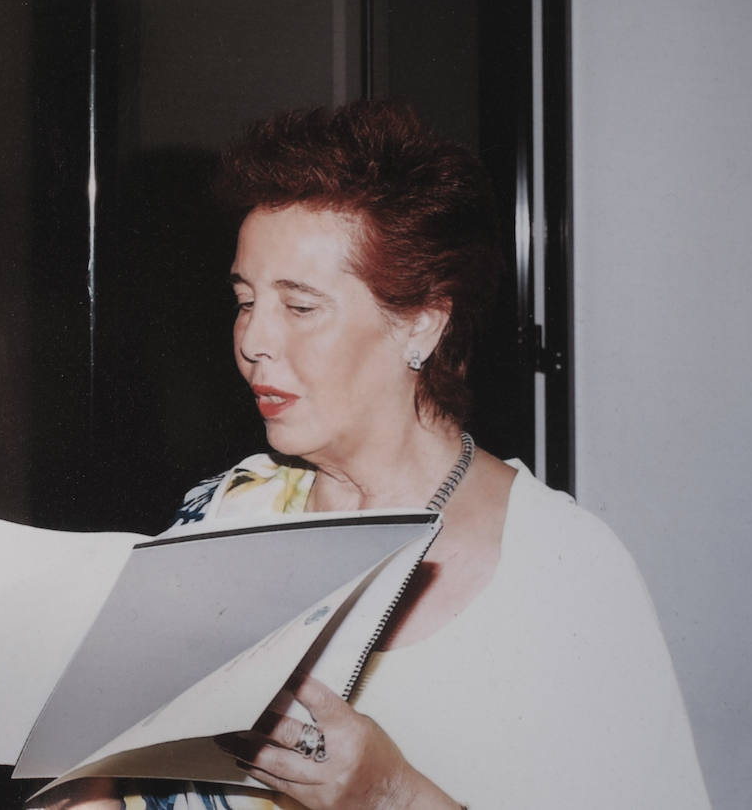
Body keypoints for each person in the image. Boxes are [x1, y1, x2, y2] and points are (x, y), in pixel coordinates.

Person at [54, 101, 710, 809]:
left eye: (300, 307)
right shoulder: (222, 515)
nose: (253, 341)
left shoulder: (565, 568)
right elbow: (94, 766)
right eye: (245, 300)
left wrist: (390, 794)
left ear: (421, 326)